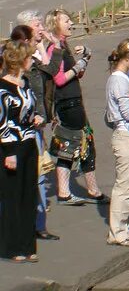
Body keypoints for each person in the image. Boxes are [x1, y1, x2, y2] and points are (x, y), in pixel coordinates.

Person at [45, 9, 107, 206]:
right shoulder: (53, 49)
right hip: (67, 103)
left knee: (77, 143)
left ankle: (81, 190)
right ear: (55, 24)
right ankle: (80, 190)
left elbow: (76, 75)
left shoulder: (63, 46)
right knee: (77, 143)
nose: (71, 23)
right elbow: (59, 78)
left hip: (73, 101)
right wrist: (78, 66)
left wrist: (85, 59)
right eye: (66, 21)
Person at [13, 11, 59, 241]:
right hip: (22, 128)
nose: (41, 27)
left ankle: (39, 225)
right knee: (21, 178)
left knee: (39, 176)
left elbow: (51, 74)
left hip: (38, 124)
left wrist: (43, 47)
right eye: (37, 24)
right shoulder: (19, 60)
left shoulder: (35, 56)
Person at [0, 42, 43, 263]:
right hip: (11, 148)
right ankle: (12, 246)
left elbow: (27, 110)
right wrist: (9, 152)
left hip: (28, 144)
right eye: (29, 57)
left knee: (29, 195)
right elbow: (3, 122)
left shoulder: (24, 83)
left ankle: (28, 245)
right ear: (19, 60)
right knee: (13, 197)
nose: (32, 60)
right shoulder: (2, 88)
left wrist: (35, 118)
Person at [105, 39, 129, 248]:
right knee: (125, 187)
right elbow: (128, 112)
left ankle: (124, 228)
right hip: (124, 136)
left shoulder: (119, 78)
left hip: (128, 135)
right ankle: (118, 231)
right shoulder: (119, 80)